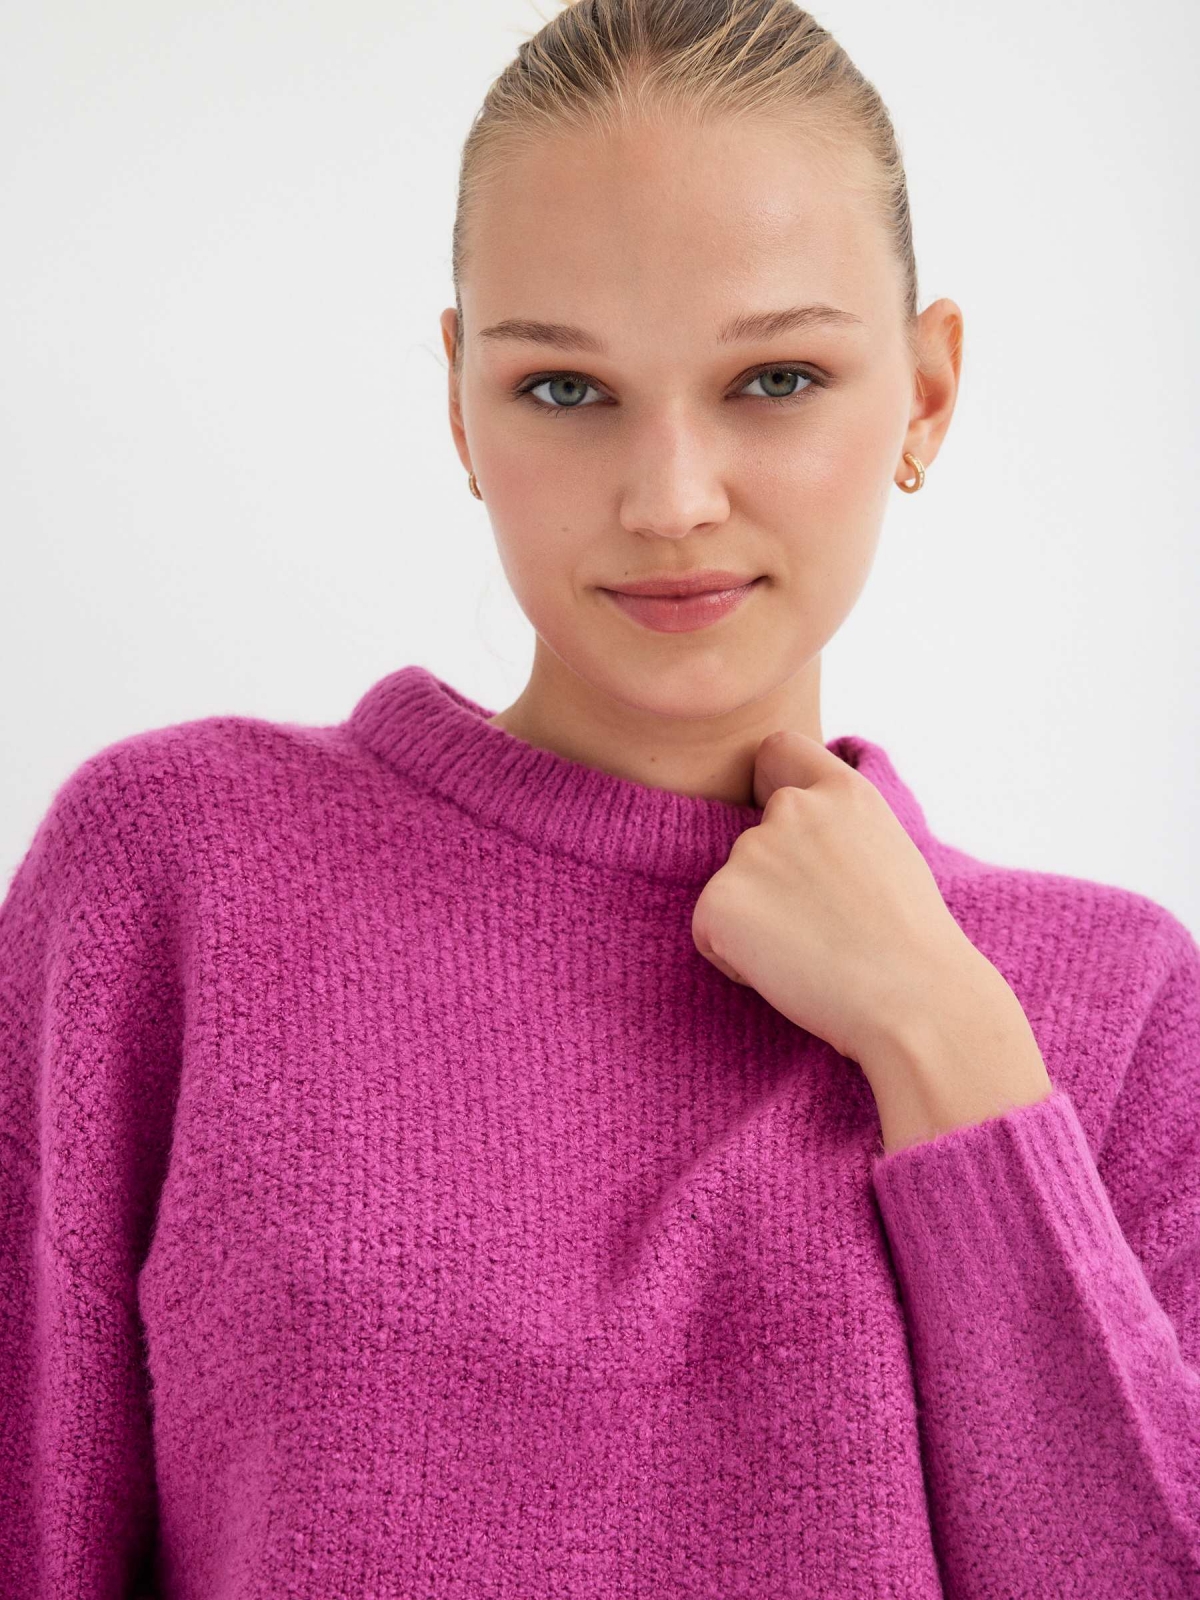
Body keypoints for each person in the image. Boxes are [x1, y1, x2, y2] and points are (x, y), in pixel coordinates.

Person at [1, 1, 1198, 1595]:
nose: (671, 499)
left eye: (775, 377)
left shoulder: (1107, 1012)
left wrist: (949, 1049)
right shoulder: (178, 877)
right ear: (458, 404)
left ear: (922, 394)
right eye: (568, 391)